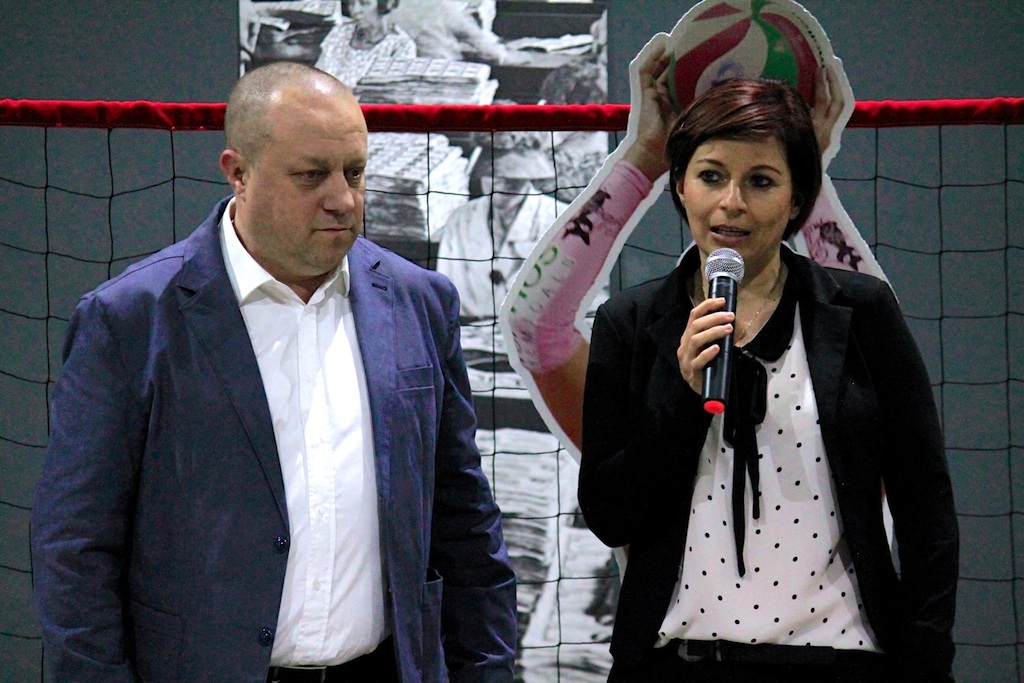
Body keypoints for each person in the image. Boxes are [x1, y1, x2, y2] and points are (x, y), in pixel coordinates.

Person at [31, 62, 517, 683]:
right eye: (312, 175)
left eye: (355, 172)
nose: (343, 199)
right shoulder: (130, 319)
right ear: (238, 172)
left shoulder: (419, 303)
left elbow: (464, 520)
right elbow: (74, 549)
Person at [577, 77, 959, 681]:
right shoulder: (629, 322)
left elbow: (925, 506)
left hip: (841, 659)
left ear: (797, 198)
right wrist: (683, 394)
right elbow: (610, 515)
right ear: (679, 185)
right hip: (680, 661)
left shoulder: (862, 312)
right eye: (711, 176)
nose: (731, 203)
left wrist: (927, 661)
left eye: (760, 181)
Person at [436, 136, 568, 321]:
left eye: (514, 175)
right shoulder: (461, 219)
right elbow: (447, 293)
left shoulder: (562, 219)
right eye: (494, 173)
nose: (503, 182)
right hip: (470, 329)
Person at [315, 0, 416, 88]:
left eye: (364, 3)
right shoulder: (340, 33)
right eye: (351, 3)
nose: (355, 10)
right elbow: (316, 78)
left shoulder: (401, 47)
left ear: (385, 4)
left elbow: (392, 94)